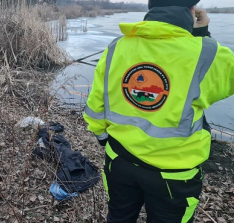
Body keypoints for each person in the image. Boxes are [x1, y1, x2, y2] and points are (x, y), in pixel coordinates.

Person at [83, 0, 234, 222]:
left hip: (120, 161)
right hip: (175, 174)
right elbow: (223, 83)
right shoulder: (208, 53)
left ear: (151, 10)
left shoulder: (117, 47)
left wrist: (104, 140)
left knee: (118, 218)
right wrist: (202, 33)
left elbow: (95, 107)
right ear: (192, 12)